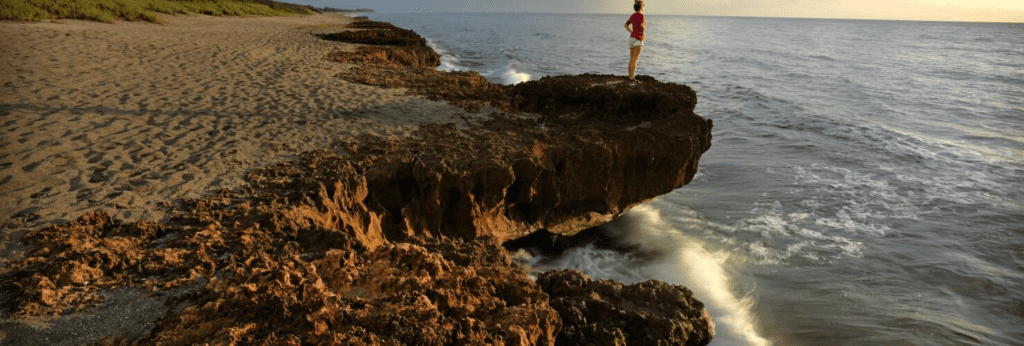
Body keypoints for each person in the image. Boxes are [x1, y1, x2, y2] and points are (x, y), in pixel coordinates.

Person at [624, 0, 646, 82]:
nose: (644, 6)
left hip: (632, 39)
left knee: (631, 59)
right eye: (643, 5)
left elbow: (626, 25)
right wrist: (643, 32)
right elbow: (642, 27)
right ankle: (631, 78)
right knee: (635, 60)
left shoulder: (633, 15)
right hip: (638, 39)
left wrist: (631, 31)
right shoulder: (642, 15)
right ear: (641, 7)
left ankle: (630, 76)